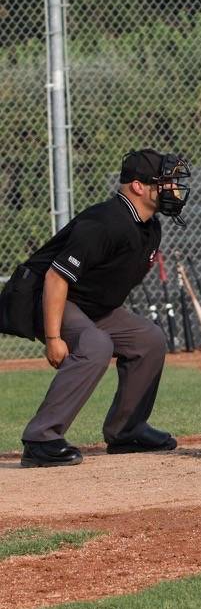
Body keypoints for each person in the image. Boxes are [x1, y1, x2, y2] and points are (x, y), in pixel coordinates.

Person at [1, 149, 190, 467]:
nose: (173, 189)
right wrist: (53, 338)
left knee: (148, 339)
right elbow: (56, 277)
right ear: (138, 186)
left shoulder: (149, 228)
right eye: (165, 182)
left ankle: (126, 431)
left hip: (87, 305)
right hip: (41, 295)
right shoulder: (105, 222)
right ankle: (41, 439)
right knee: (95, 344)